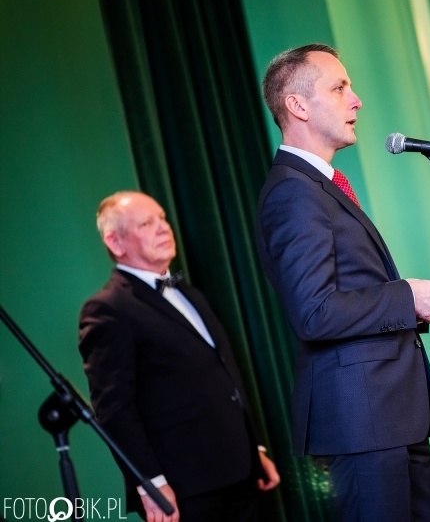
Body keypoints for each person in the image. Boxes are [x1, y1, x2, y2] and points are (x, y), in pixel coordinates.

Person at [256, 44, 430, 521]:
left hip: (392, 418)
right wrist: (405, 295)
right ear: (298, 106)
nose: (357, 99)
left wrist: (408, 304)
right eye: (339, 87)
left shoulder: (319, 186)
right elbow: (314, 312)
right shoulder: (293, 193)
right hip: (361, 426)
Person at [78, 191, 280, 522]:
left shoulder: (189, 293)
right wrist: (151, 484)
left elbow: (224, 373)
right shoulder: (107, 309)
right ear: (115, 242)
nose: (164, 228)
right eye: (147, 223)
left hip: (241, 471)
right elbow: (114, 408)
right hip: (185, 488)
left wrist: (254, 448)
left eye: (163, 218)